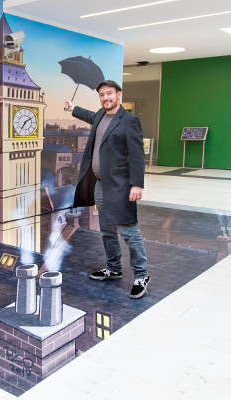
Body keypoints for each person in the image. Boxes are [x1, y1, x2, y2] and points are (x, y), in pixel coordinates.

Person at [65, 80, 149, 299]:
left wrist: (137, 184)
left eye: (109, 94)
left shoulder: (130, 121)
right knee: (107, 230)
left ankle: (141, 275)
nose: (105, 98)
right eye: (102, 95)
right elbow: (90, 116)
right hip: (101, 184)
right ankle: (114, 268)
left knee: (129, 232)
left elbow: (137, 155)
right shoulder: (101, 116)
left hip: (121, 187)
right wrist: (74, 109)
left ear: (118, 94)